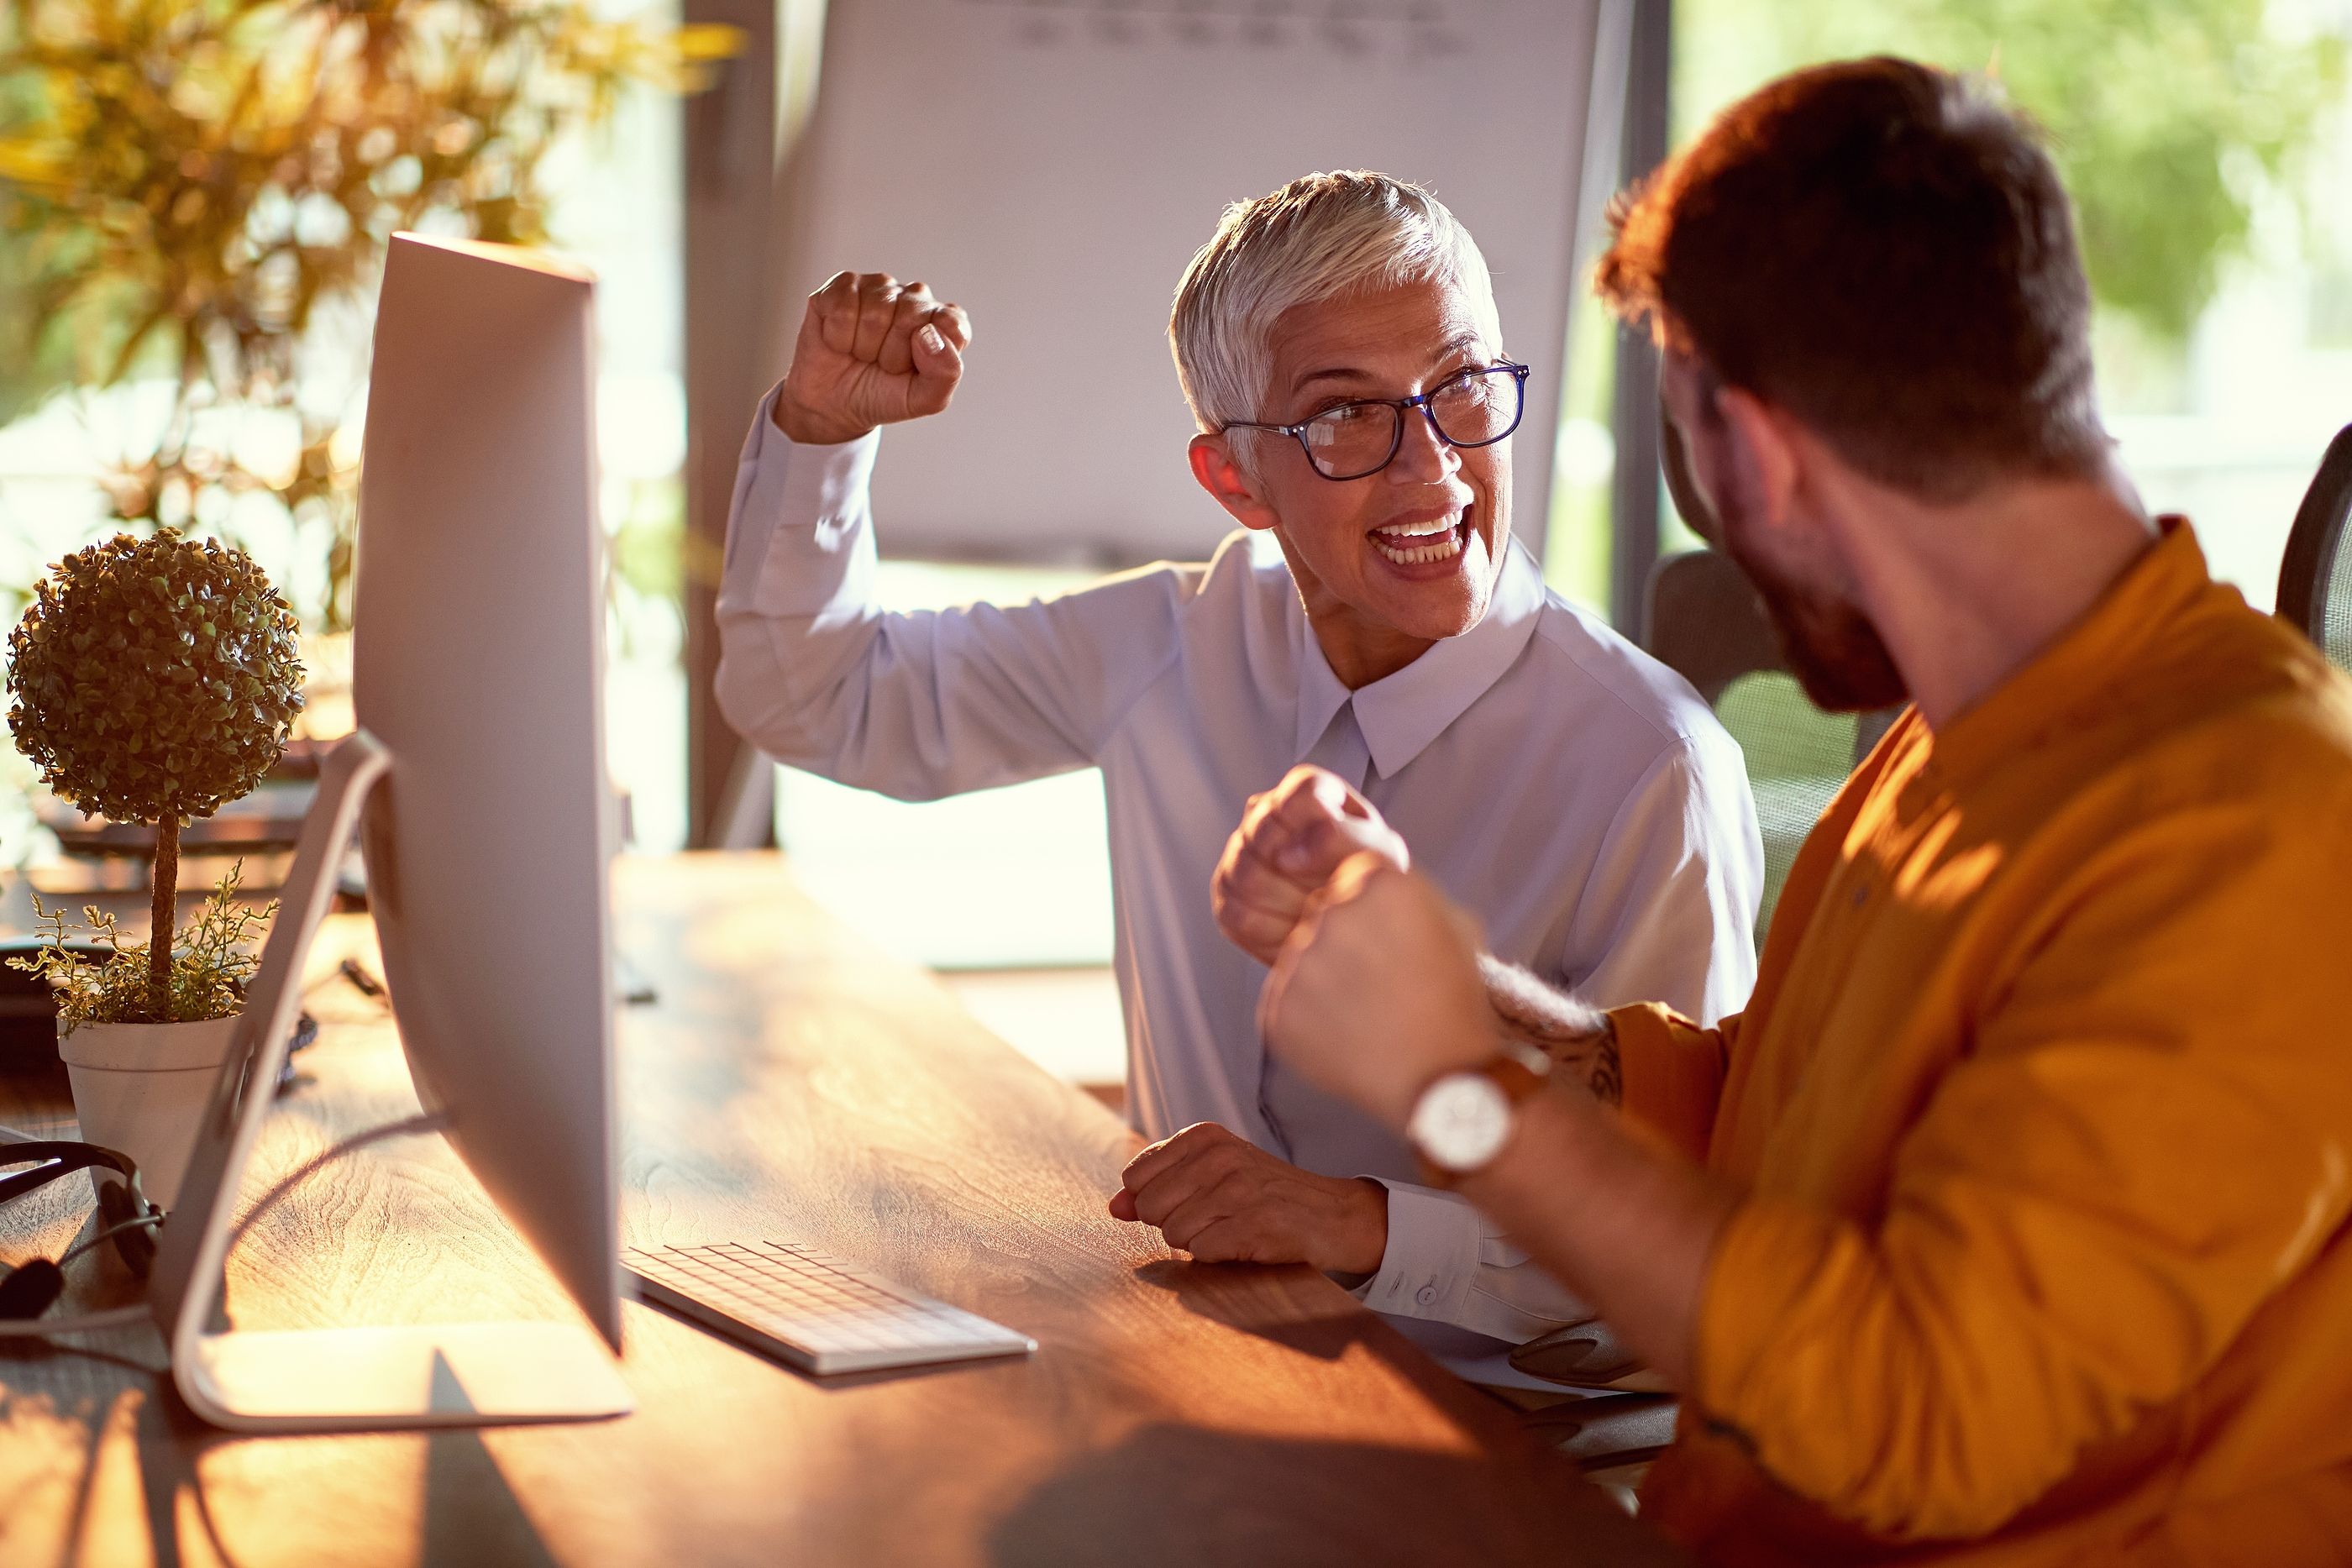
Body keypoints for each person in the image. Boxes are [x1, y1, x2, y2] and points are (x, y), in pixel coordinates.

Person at [1226, 60, 2352, 1565]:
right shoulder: (1960, 734)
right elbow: (1788, 1108)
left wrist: (1448, 1088)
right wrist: (1485, 1008)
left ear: (1750, 451)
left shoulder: (2257, 824)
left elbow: (1920, 1413)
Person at [714, 171, 1761, 1350]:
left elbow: (1681, 1244)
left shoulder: (1651, 767)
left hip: (1512, 1432)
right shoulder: (1174, 642)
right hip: (1200, 1350)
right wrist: (822, 428)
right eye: (1343, 417)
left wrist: (1360, 1226)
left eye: (1463, 388)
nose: (1436, 470)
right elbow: (818, 699)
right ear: (1234, 480)